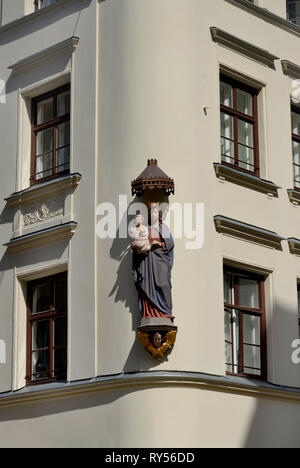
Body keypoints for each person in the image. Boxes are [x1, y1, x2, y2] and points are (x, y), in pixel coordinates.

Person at [132, 204, 174, 319]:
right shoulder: (146, 229)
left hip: (161, 262)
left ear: (159, 215)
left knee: (164, 284)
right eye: (151, 213)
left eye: (155, 212)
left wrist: (159, 244)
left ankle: (165, 311)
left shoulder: (162, 228)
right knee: (147, 283)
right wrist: (138, 248)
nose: (153, 215)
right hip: (147, 263)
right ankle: (149, 312)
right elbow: (139, 243)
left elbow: (170, 244)